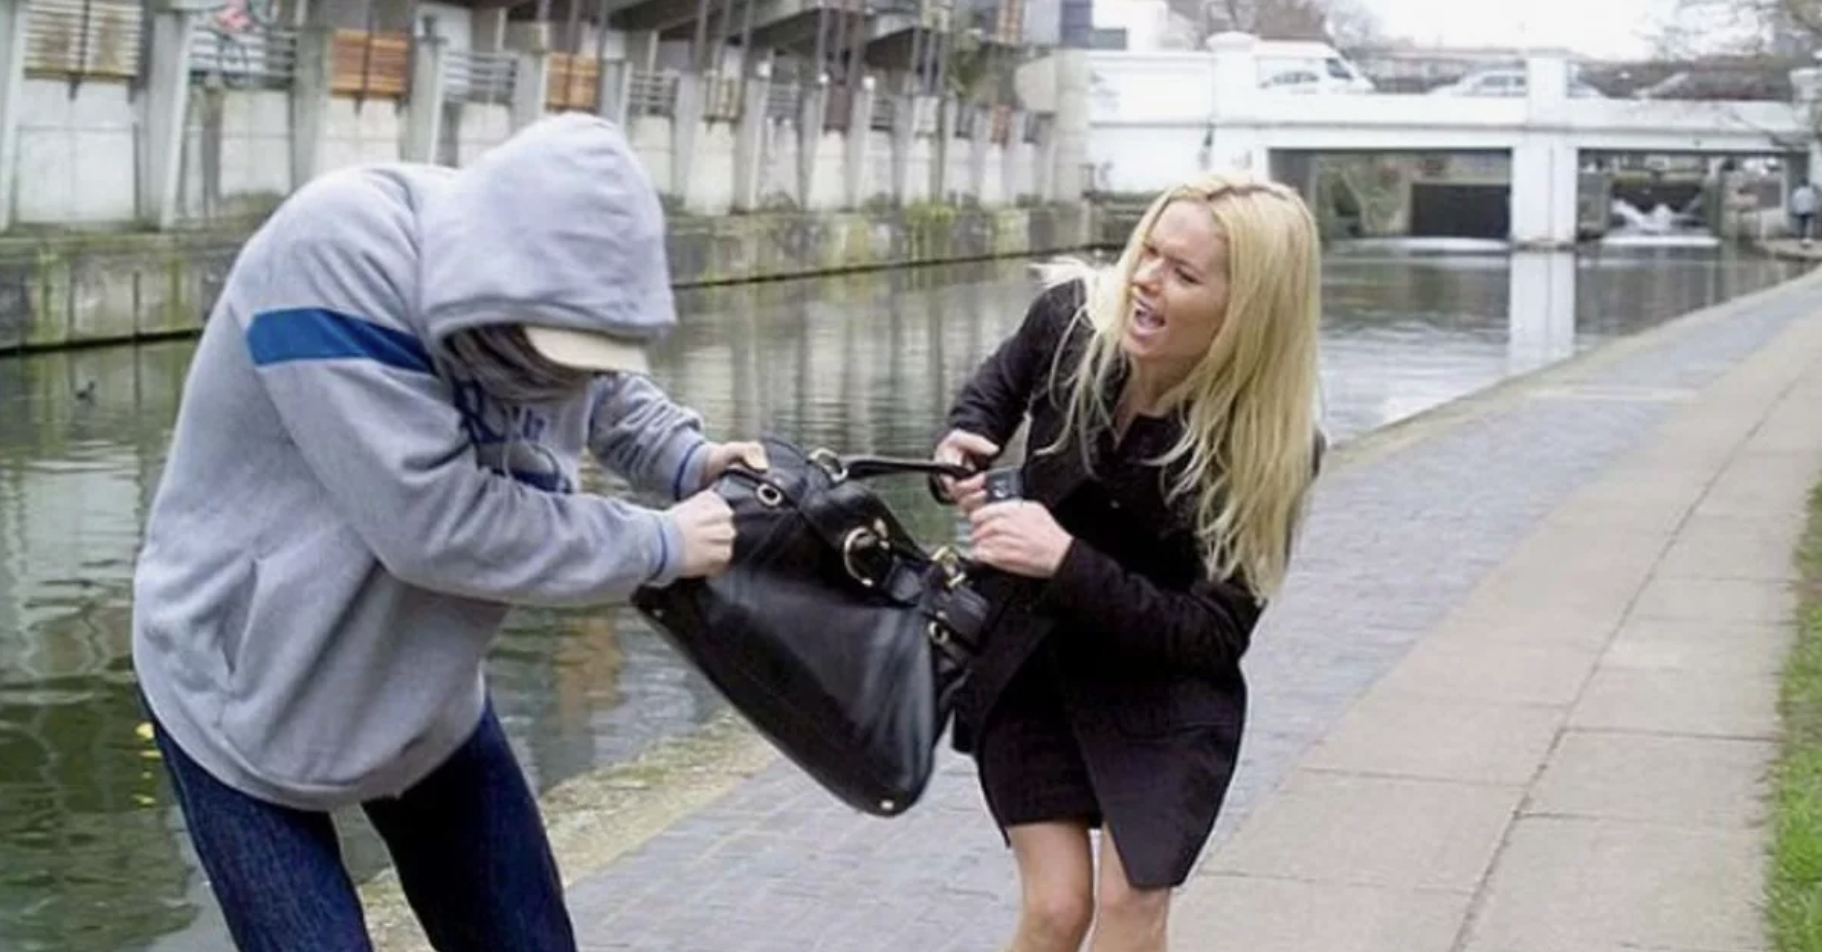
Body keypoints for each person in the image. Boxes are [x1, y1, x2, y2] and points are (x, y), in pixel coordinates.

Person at [130, 113, 764, 952]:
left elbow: (600, 391)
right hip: (244, 691)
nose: (560, 376)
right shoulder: (331, 260)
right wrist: (657, 544)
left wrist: (690, 457)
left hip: (419, 691)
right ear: (488, 285)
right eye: (547, 350)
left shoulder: (541, 283)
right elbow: (436, 526)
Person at [931, 170, 1324, 952]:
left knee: (1131, 908)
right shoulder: (1069, 322)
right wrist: (963, 440)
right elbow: (996, 388)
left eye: (1184, 275)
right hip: (1030, 663)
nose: (1146, 279)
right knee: (1055, 909)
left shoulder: (1268, 449)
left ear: (1244, 313)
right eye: (1150, 250)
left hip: (1163, 691)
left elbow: (1212, 635)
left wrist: (1065, 560)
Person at [1792, 180, 1817, 246]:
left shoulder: (1797, 192)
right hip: (1809, 211)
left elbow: (1794, 201)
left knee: (1801, 225)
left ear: (1801, 184)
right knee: (1808, 225)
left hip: (1800, 211)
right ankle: (1808, 238)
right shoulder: (1811, 192)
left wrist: (1795, 210)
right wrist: (1814, 209)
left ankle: (1801, 239)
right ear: (1807, 184)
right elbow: (1814, 201)